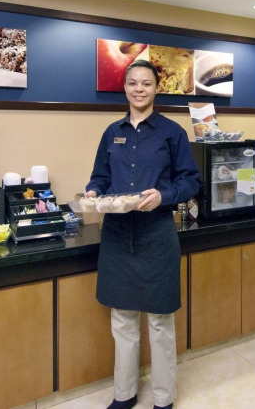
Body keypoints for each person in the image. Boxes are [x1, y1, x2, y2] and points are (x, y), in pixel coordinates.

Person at [85, 59, 201, 409]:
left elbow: (191, 181)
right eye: (133, 83)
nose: (139, 89)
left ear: (156, 89)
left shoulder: (172, 132)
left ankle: (164, 399)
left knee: (161, 321)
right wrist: (93, 192)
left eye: (146, 84)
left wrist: (163, 196)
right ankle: (124, 395)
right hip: (118, 235)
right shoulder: (112, 132)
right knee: (122, 319)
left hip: (157, 234)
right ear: (125, 88)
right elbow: (100, 177)